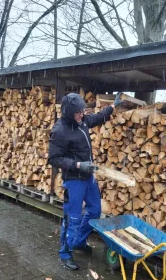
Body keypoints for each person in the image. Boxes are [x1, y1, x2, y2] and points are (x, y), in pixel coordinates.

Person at [48, 92, 122, 270]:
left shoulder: (81, 122)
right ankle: (65, 253)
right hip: (74, 180)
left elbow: (96, 118)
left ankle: (79, 242)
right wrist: (79, 165)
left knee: (95, 211)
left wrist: (112, 107)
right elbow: (54, 159)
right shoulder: (60, 131)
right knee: (72, 217)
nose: (82, 115)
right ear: (68, 113)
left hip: (89, 178)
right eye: (78, 113)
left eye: (82, 111)